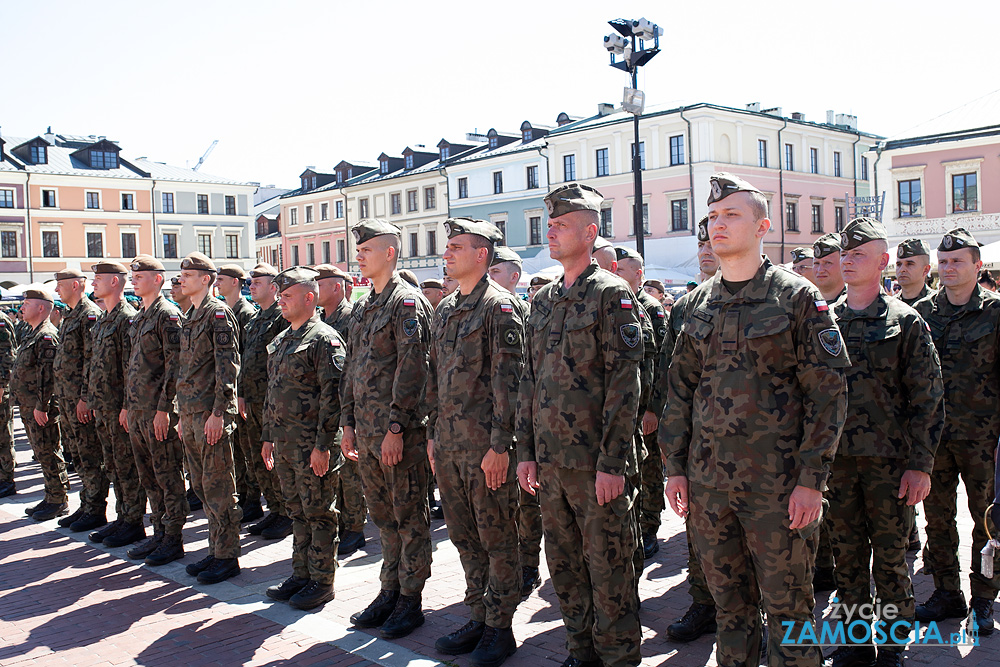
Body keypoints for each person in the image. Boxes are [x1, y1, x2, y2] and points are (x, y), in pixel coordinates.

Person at [661, 173, 849, 667]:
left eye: (732, 215)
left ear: (763, 225)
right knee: (730, 611)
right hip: (709, 487)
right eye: (713, 217)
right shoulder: (697, 303)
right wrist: (675, 467)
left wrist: (812, 481)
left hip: (779, 489)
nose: (717, 225)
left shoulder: (798, 298)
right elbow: (679, 392)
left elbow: (828, 397)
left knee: (789, 612)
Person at [516, 183, 644, 667]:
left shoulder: (612, 295)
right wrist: (526, 451)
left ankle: (618, 657)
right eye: (548, 225)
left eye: (561, 225)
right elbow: (529, 379)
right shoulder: (545, 299)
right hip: (551, 463)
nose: (550, 232)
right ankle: (580, 650)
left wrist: (613, 462)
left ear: (590, 232)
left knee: (610, 568)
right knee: (564, 566)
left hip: (596, 466)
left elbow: (624, 384)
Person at [825, 218, 944, 667]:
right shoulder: (825, 320)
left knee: (892, 559)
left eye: (860, 254)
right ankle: (856, 644)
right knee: (847, 557)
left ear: (883, 262)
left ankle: (893, 645)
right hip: (837, 464)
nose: (849, 261)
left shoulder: (905, 321)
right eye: (846, 254)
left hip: (889, 464)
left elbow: (928, 398)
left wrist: (921, 464)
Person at [428, 218, 523, 666]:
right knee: (465, 539)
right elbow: (436, 380)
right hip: (449, 447)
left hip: (486, 449)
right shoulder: (446, 309)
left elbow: (511, 382)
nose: (447, 254)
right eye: (447, 248)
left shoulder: (499, 307)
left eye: (456, 247)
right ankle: (479, 615)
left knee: (498, 538)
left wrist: (501, 446)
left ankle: (500, 628)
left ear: (481, 255)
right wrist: (432, 436)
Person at [340, 219, 433, 639]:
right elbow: (353, 371)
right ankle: (389, 589)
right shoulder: (363, 305)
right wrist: (348, 424)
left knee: (409, 517)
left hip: (399, 434)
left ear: (390, 253)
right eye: (358, 249)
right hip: (368, 433)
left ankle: (410, 600)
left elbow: (415, 370)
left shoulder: (407, 303)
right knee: (384, 518)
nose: (359, 254)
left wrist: (396, 426)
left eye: (367, 249)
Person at [913, 228, 1000, 636]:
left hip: (984, 438)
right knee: (938, 518)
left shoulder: (996, 313)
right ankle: (948, 592)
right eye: (944, 262)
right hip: (934, 440)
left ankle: (984, 597)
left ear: (976, 265)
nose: (949, 268)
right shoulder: (923, 313)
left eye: (957, 261)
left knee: (987, 520)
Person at [651, 215, 719, 644]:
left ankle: (759, 621)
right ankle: (703, 604)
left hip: (764, 452)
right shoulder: (688, 305)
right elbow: (672, 377)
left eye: (714, 241)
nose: (708, 249)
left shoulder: (782, 296)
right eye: (703, 244)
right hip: (699, 446)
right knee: (699, 535)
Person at [262, 267, 346, 611]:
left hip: (313, 447)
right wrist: (268, 437)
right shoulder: (283, 340)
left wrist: (323, 446)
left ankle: (321, 581)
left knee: (319, 514)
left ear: (309, 298)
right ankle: (301, 573)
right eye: (279, 296)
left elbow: (334, 397)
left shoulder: (325, 339)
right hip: (284, 444)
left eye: (287, 296)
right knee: (296, 512)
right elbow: (273, 394)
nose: (280, 301)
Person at [176, 252, 243, 585]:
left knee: (219, 486)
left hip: (209, 416)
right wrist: (180, 413)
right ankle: (215, 548)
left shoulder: (218, 314)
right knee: (202, 487)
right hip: (190, 415)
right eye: (181, 274)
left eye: (188, 274)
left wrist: (219, 413)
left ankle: (227, 555)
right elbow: (186, 371)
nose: (182, 279)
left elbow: (227, 369)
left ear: (206, 279)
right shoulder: (191, 316)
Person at [123, 255, 188, 566]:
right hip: (137, 410)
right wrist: (126, 405)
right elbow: (133, 366)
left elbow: (175, 367)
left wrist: (165, 409)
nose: (134, 280)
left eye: (140, 275)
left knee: (167, 475)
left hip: (157, 412)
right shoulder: (140, 315)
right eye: (133, 276)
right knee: (148, 476)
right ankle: (159, 531)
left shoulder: (167, 315)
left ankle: (173, 537)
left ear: (158, 279)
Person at [489, 245, 543, 600]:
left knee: (526, 502)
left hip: (523, 423)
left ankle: (528, 563)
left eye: (497, 272)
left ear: (514, 276)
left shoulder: (522, 311)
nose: (490, 278)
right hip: (496, 422)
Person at [86, 262, 146, 548]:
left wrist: (126, 406)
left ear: (114, 283)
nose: (93, 283)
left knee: (126, 466)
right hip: (104, 407)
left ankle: (133, 521)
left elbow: (129, 368)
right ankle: (122, 518)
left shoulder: (126, 319)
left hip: (119, 408)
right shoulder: (103, 319)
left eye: (98, 279)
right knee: (113, 465)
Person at [615, 245, 668, 561]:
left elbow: (661, 362)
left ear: (638, 274)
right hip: (625, 408)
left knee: (649, 469)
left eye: (622, 270)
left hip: (645, 406)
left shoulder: (650, 308)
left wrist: (653, 409)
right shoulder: (615, 304)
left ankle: (649, 527)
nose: (616, 274)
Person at [239, 263, 293, 540]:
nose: (251, 286)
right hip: (253, 401)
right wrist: (241, 393)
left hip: (271, 403)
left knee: (276, 459)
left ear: (274, 287)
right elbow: (245, 362)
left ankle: (286, 513)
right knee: (257, 459)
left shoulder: (281, 319)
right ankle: (274, 508)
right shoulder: (255, 320)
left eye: (257, 282)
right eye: (250, 282)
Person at [315, 263, 366, 556]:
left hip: (348, 406)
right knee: (335, 470)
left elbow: (354, 368)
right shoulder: (322, 319)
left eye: (320, 284)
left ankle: (355, 527)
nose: (315, 290)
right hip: (326, 406)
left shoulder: (351, 318)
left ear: (336, 286)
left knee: (350, 472)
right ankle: (342, 523)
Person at [52, 269, 107, 532]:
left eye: (60, 285)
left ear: (75, 285)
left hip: (80, 401)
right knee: (77, 454)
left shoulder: (88, 315)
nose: (56, 290)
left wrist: (86, 397)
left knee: (89, 454)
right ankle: (86, 505)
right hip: (66, 399)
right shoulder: (69, 315)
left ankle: (95, 509)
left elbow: (91, 360)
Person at [808, 232, 845, 593]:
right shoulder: (808, 309)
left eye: (826, 262)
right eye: (815, 263)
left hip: (862, 443)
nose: (819, 269)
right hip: (818, 440)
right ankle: (822, 567)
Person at [14, 290, 68, 521]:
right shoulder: (32, 334)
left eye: (27, 304)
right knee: (41, 453)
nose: (21, 308)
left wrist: (42, 405)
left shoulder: (47, 336)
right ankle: (50, 496)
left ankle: (58, 500)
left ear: (41, 308)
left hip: (40, 406)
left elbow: (48, 375)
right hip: (29, 406)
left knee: (49, 452)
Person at [217, 264, 261, 524]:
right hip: (236, 393)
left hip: (244, 393)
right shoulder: (228, 311)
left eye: (221, 280)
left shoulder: (244, 313)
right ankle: (245, 495)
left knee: (247, 450)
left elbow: (242, 357)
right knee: (240, 449)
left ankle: (252, 498)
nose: (217, 284)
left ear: (235, 282)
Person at [0, 307, 17, 499]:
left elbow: (7, 356)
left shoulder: (1, 321)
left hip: (0, 389)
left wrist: (2, 387)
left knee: (3, 435)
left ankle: (6, 480)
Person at [894, 239, 934, 306]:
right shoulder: (890, 306)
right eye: (899, 264)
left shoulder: (937, 304)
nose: (902, 269)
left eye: (909, 264)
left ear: (925, 270)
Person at [811, 233, 846, 303]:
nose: (820, 270)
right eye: (816, 263)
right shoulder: (804, 304)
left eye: (827, 263)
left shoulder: (856, 304)